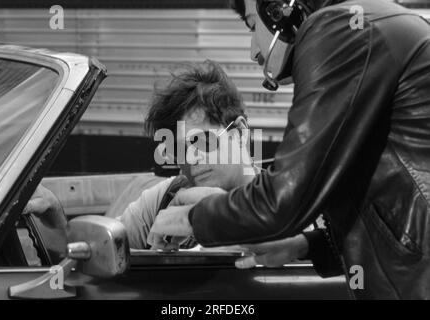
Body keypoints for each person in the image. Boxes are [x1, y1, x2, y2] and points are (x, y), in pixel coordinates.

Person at [149, 0, 430, 299]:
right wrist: (305, 246)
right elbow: (386, 205)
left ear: (276, 8)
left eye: (252, 25)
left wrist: (191, 217)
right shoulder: (370, 23)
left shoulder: (339, 29)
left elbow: (285, 197)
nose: (254, 50)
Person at [26, 60, 313, 257]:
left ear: (238, 132)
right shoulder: (163, 199)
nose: (191, 157)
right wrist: (54, 215)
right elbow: (96, 258)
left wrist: (221, 218)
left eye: (202, 141)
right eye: (180, 147)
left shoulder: (288, 204)